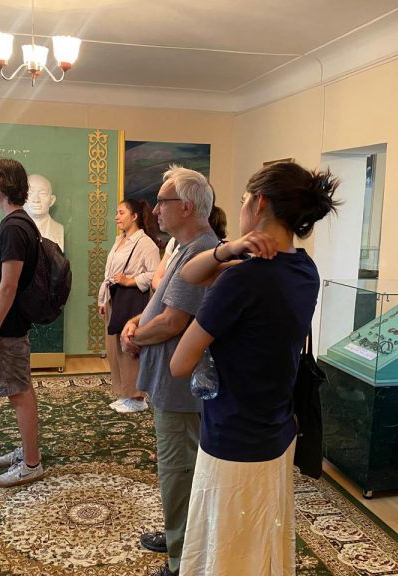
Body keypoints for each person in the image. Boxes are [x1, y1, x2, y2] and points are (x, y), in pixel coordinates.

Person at [170, 161, 339, 575]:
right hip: (276, 429)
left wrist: (227, 271)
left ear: (259, 203)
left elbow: (179, 364)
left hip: (233, 435)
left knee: (227, 548)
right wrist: (229, 249)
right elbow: (190, 273)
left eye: (244, 199)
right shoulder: (305, 270)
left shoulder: (242, 281)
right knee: (260, 540)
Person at [120, 165, 218, 576]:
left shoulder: (200, 251)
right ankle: (178, 536)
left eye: (163, 202)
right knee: (177, 470)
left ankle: (181, 561)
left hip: (181, 388)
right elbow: (163, 306)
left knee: (179, 472)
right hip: (172, 382)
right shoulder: (186, 247)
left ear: (187, 207)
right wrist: (137, 322)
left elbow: (173, 322)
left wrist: (136, 336)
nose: (156, 210)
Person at [0, 158, 44, 487]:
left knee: (19, 393)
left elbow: (8, 285)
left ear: (4, 184)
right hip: (12, 324)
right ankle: (28, 451)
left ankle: (31, 464)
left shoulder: (14, 227)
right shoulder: (19, 223)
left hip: (9, 326)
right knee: (21, 389)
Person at [98, 199, 160, 413]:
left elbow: (155, 274)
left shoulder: (145, 244)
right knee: (114, 348)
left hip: (131, 300)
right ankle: (124, 393)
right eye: (117, 212)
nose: (117, 217)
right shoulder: (120, 240)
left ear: (135, 216)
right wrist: (103, 300)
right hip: (114, 298)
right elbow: (109, 273)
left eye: (121, 212)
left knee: (129, 347)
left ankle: (137, 396)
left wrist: (129, 281)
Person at [25, 173, 65, 251]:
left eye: (42, 193)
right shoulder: (14, 230)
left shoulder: (59, 229)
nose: (36, 200)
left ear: (52, 200)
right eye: (30, 193)